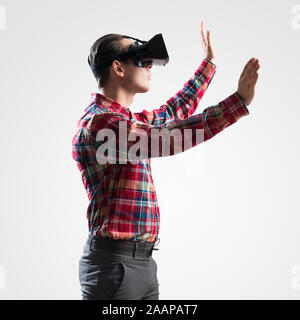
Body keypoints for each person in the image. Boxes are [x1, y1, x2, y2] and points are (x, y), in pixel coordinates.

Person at [72, 21, 260, 300]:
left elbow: (172, 111)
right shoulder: (102, 125)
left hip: (141, 264)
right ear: (118, 68)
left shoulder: (124, 121)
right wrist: (237, 102)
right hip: (115, 266)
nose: (150, 67)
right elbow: (165, 138)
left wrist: (208, 64)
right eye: (142, 60)